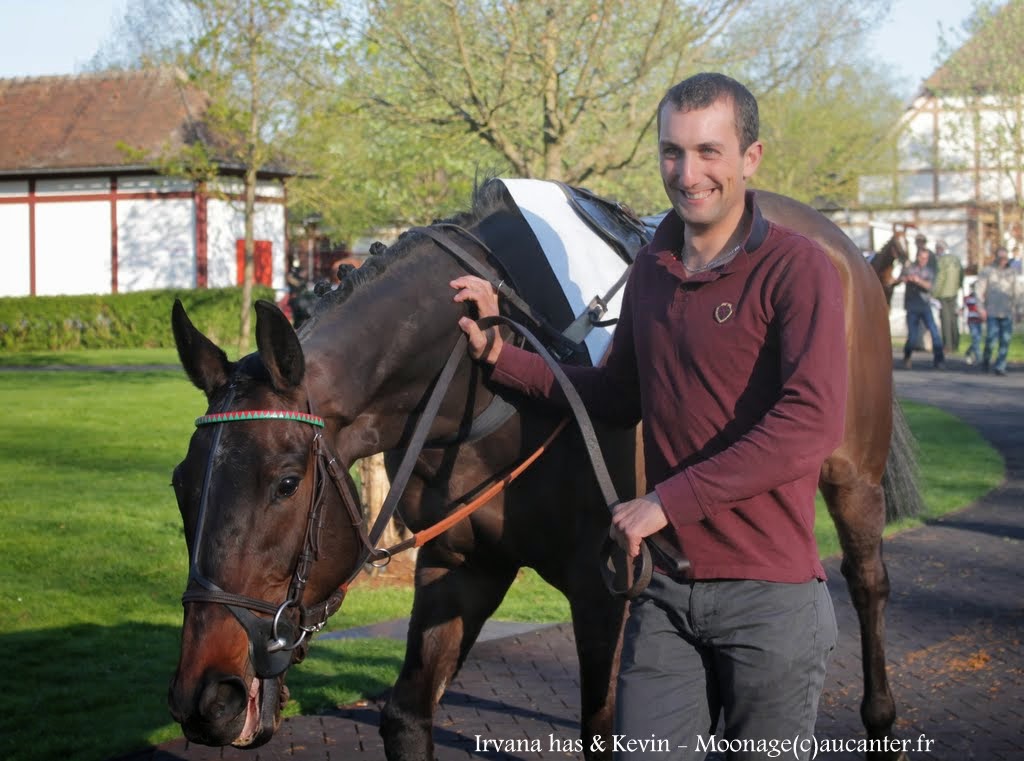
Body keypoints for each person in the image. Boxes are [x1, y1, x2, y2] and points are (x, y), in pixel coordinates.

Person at [452, 73, 841, 760]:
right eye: (672, 152)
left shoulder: (797, 268)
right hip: (666, 593)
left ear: (751, 157)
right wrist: (499, 354)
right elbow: (614, 393)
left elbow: (809, 424)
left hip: (770, 598)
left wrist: (667, 500)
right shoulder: (654, 267)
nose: (688, 174)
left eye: (708, 151)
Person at [977, 246, 1021, 376]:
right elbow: (979, 291)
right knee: (990, 339)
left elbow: (1017, 292)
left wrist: (1019, 309)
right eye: (1001, 257)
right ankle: (986, 359)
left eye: (1005, 258)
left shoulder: (1012, 273)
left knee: (1005, 340)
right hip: (992, 311)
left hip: (1007, 312)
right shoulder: (988, 271)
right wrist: (980, 308)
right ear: (996, 257)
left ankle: (1000, 366)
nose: (1003, 260)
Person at [900, 247, 945, 369]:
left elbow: (929, 286)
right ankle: (907, 356)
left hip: (925, 305)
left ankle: (939, 360)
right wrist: (906, 278)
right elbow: (900, 279)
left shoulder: (929, 271)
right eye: (921, 257)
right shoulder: (909, 268)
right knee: (912, 336)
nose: (923, 260)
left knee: (934, 333)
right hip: (912, 306)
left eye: (926, 258)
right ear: (917, 256)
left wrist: (918, 280)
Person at [932, 240, 963, 352]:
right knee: (954, 320)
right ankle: (956, 343)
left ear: (940, 249)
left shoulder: (942, 261)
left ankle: (948, 345)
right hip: (954, 292)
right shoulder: (956, 259)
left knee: (945, 320)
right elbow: (961, 275)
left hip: (943, 294)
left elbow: (940, 278)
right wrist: (958, 286)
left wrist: (934, 294)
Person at [962, 283, 985, 366]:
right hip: (972, 321)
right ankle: (979, 359)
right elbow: (966, 306)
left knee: (977, 340)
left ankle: (968, 352)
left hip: (979, 320)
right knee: (976, 339)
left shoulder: (981, 298)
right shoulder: (968, 298)